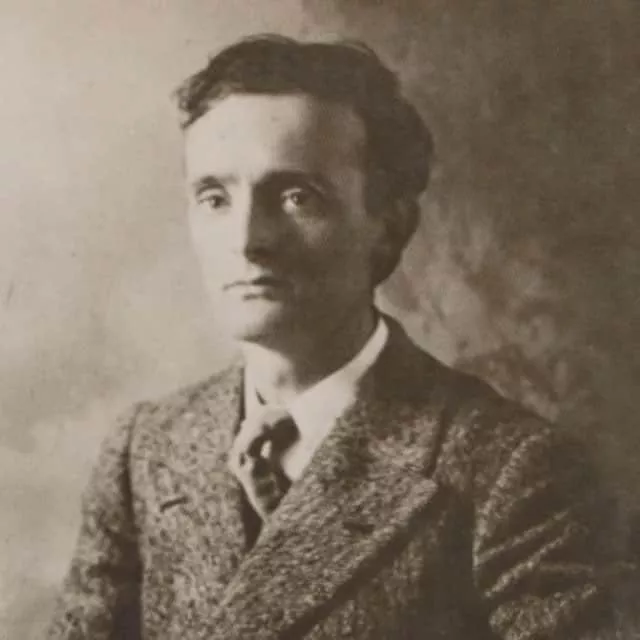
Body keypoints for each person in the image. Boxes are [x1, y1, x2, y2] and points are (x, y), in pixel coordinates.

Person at [46, 35, 635, 639]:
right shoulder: (146, 448)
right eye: (215, 198)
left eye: (296, 197)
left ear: (388, 226)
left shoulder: (512, 470)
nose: (247, 240)